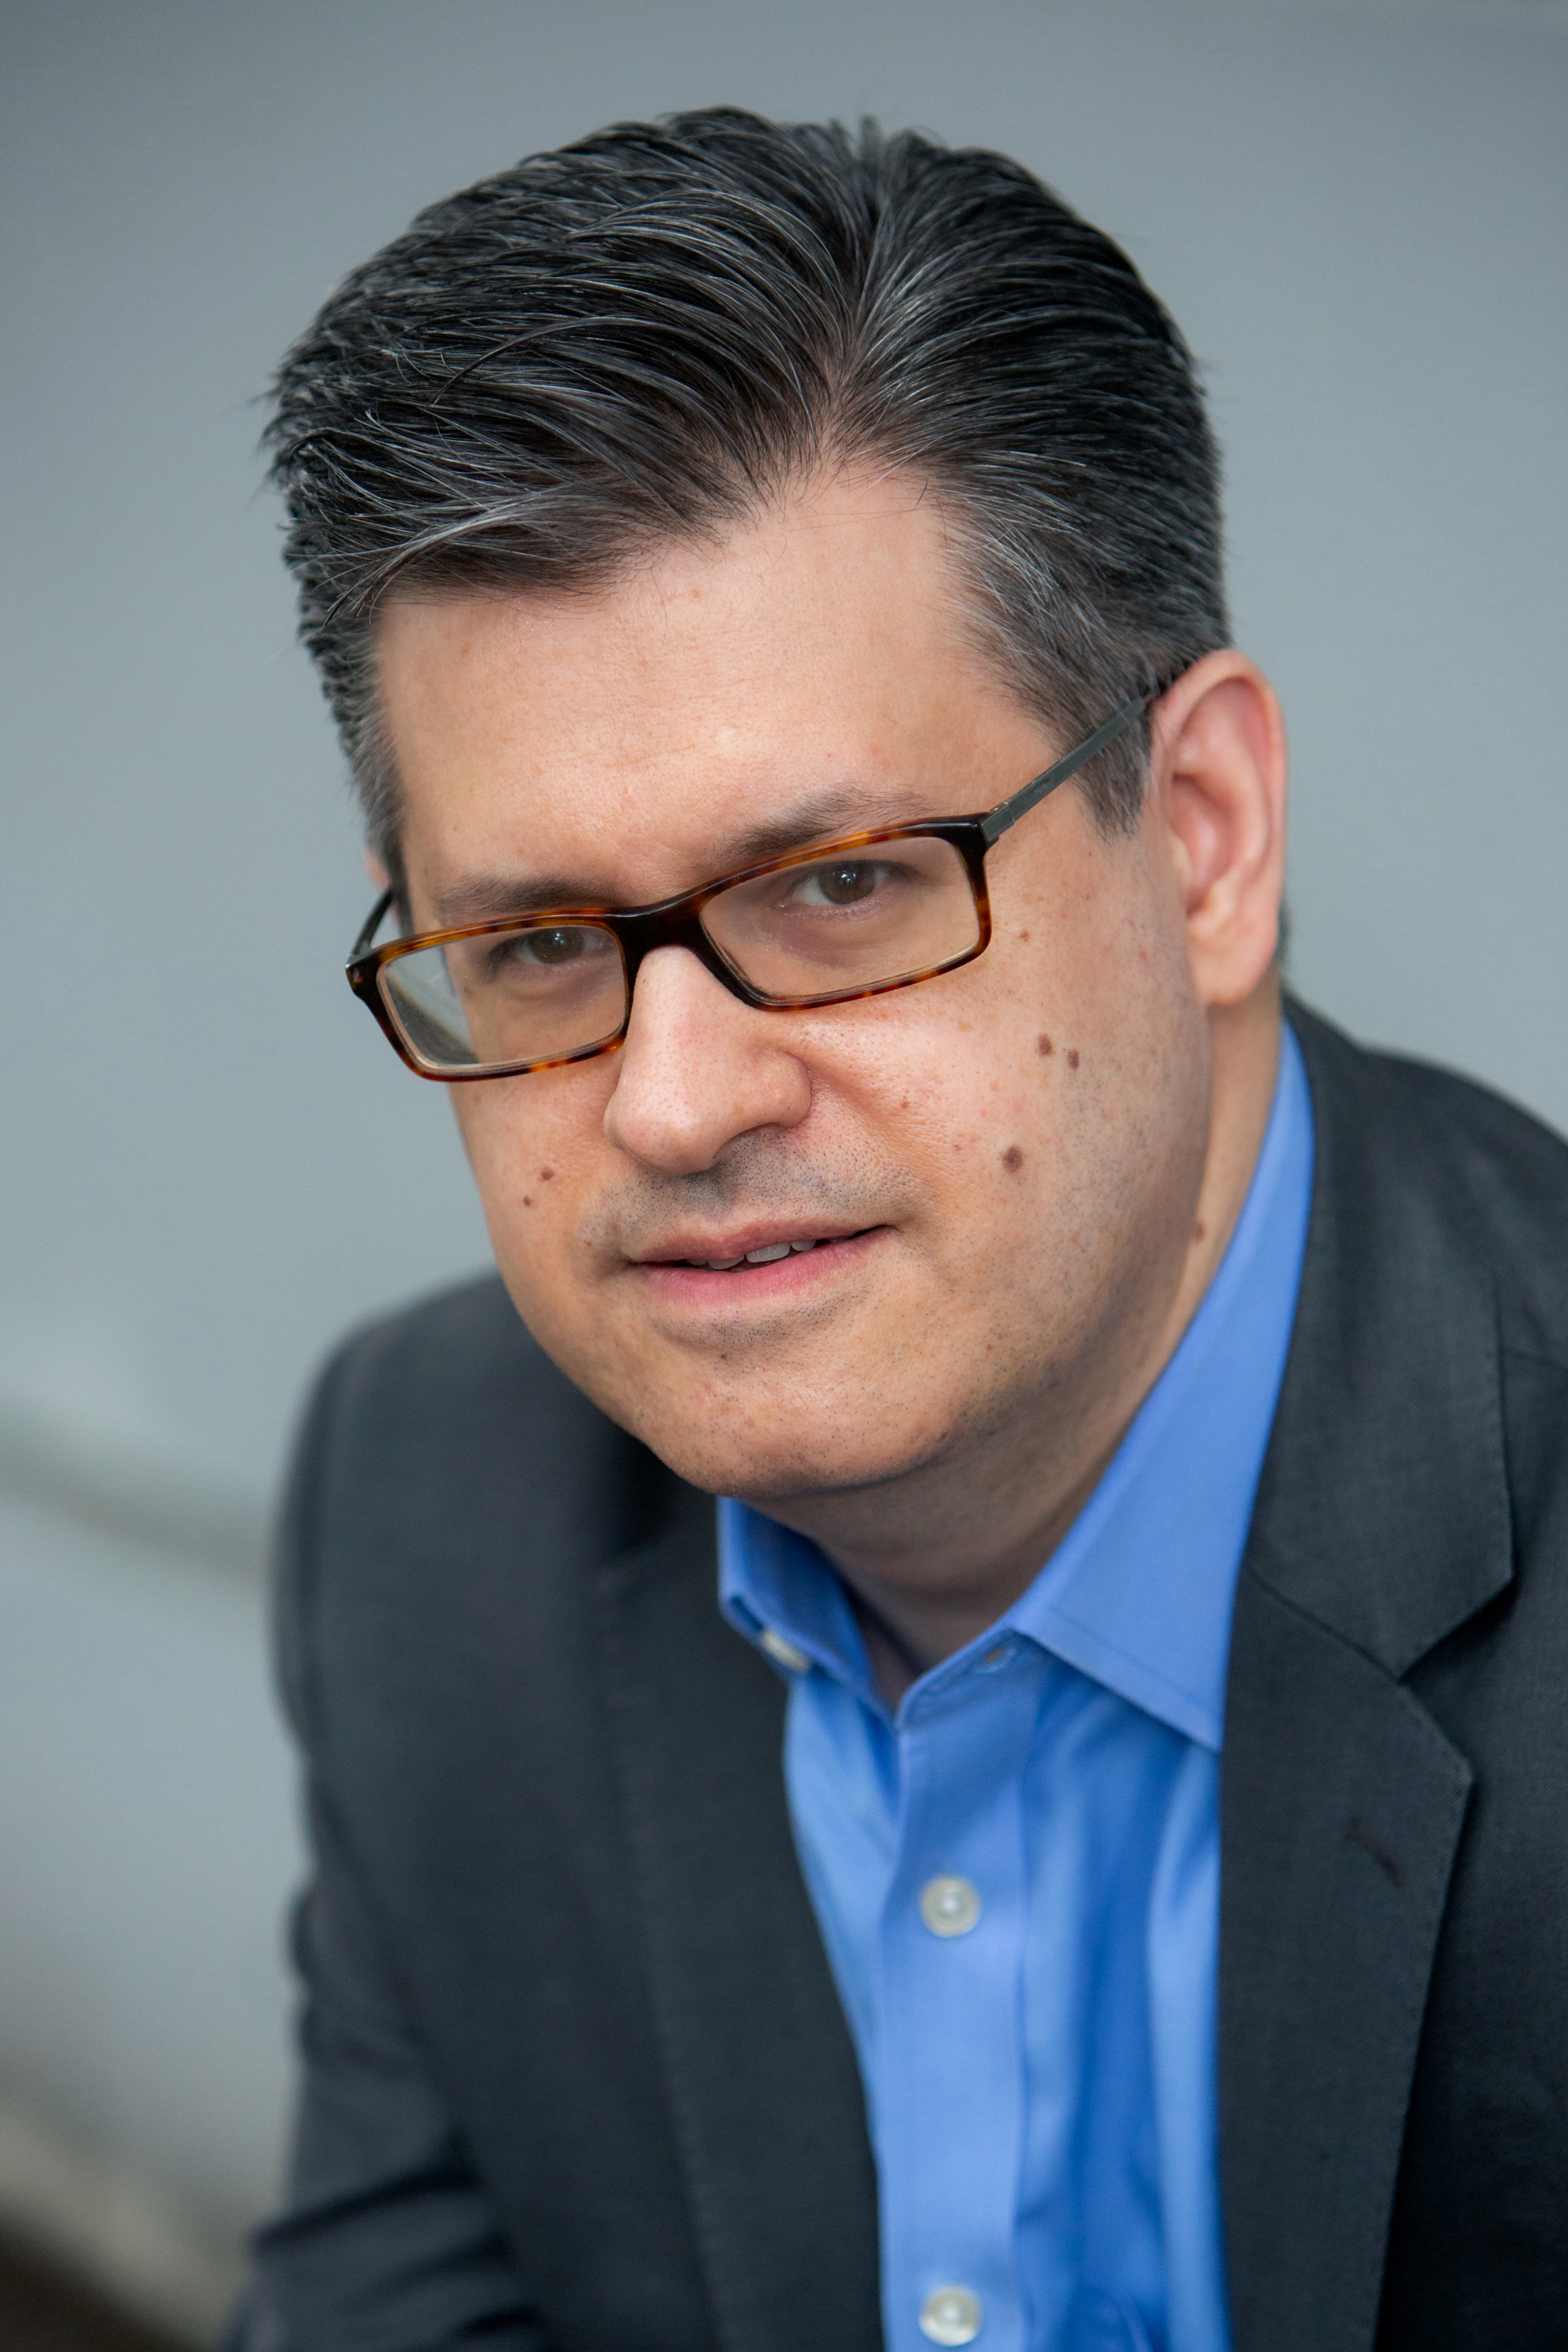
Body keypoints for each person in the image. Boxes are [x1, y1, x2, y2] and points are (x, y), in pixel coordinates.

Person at [229, 109, 1568, 2352]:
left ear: (1207, 839)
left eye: (840, 887)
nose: (670, 1100)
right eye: (540, 942)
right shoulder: (423, 1509)